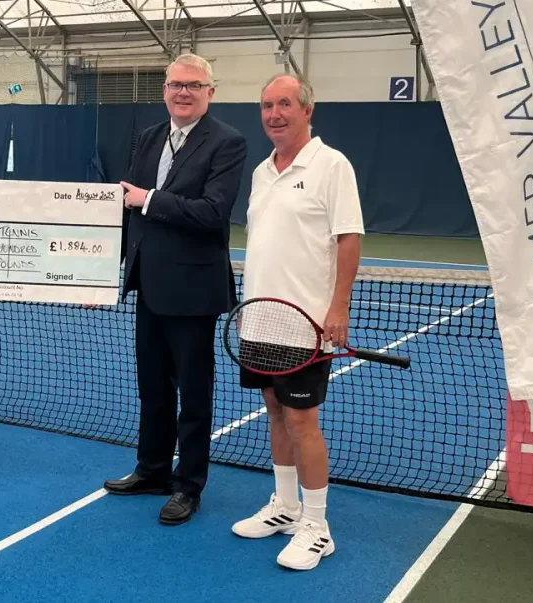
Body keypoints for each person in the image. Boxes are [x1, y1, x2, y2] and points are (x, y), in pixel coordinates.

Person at [103, 53, 247, 525]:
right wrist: (103, 271)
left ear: (210, 91)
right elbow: (128, 211)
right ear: (164, 90)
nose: (183, 92)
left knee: (194, 392)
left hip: (194, 290)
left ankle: (189, 485)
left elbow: (212, 213)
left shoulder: (228, 143)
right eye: (175, 84)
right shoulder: (147, 138)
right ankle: (152, 471)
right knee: (153, 389)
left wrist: (151, 201)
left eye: (194, 85)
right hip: (148, 286)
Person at [230, 74, 364, 571]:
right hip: (260, 320)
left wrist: (338, 308)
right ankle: (285, 508)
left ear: (308, 110)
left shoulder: (332, 165)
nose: (274, 114)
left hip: (307, 323)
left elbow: (348, 238)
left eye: (285, 104)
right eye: (267, 105)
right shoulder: (263, 170)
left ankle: (317, 526)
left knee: (303, 419)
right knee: (274, 410)